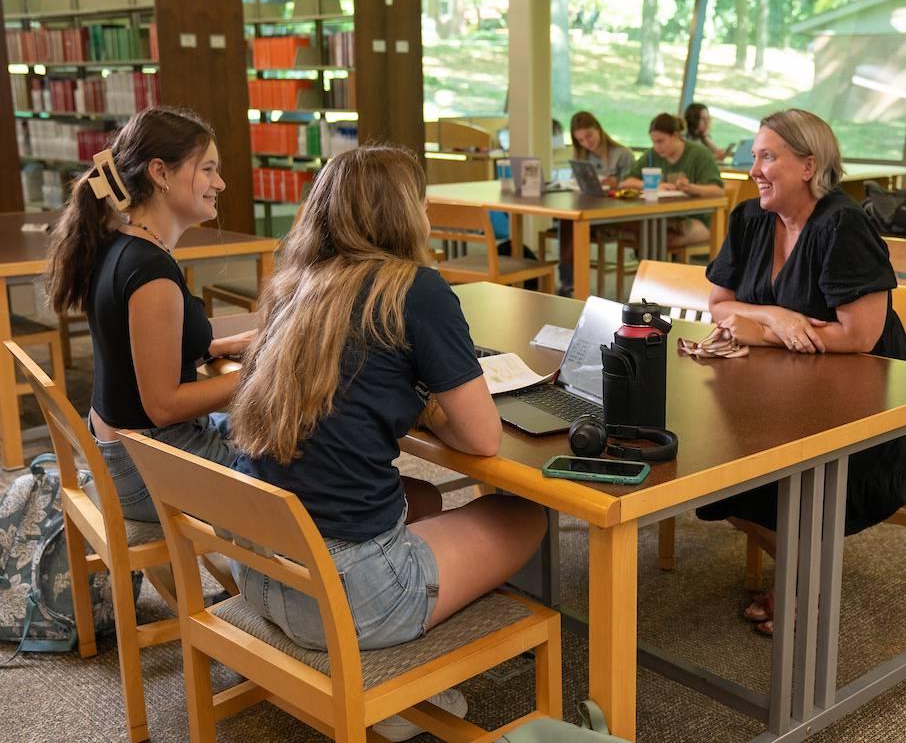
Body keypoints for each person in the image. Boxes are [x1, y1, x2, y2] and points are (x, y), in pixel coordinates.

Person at [228, 145, 547, 742]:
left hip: (259, 572)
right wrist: (438, 406)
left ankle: (414, 656)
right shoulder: (416, 290)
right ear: (408, 213)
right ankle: (409, 679)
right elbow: (481, 439)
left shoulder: (292, 287)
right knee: (523, 513)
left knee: (422, 501)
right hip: (347, 600)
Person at [696, 109, 906, 635]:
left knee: (772, 481)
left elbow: (859, 336)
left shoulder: (842, 224)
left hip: (874, 413)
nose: (755, 169)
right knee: (714, 477)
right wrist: (772, 317)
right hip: (781, 400)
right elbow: (719, 306)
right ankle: (809, 571)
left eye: (769, 157)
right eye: (755, 156)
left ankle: (805, 580)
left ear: (808, 166)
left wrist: (755, 327)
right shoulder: (750, 219)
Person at [44, 106, 254, 523]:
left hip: (126, 451)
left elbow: (136, 353)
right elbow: (163, 406)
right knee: (308, 462)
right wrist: (263, 378)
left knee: (282, 437)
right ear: (160, 173)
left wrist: (216, 346)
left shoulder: (122, 246)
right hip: (148, 468)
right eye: (208, 169)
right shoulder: (150, 272)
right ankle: (269, 577)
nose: (220, 183)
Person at [554, 112, 636, 294]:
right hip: (589, 209)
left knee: (571, 222)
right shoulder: (582, 156)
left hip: (615, 212)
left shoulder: (622, 155)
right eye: (581, 140)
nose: (587, 143)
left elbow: (633, 189)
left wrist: (616, 184)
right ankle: (567, 280)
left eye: (589, 136)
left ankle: (568, 280)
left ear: (599, 129)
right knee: (567, 220)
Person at [621, 113, 725, 247]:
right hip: (661, 217)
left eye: (660, 141)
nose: (657, 147)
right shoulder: (652, 155)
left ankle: (658, 263)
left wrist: (691, 188)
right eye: (653, 142)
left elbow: (718, 191)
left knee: (659, 238)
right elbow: (626, 182)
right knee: (643, 233)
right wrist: (655, 185)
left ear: (675, 136)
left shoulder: (700, 154)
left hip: (699, 220)